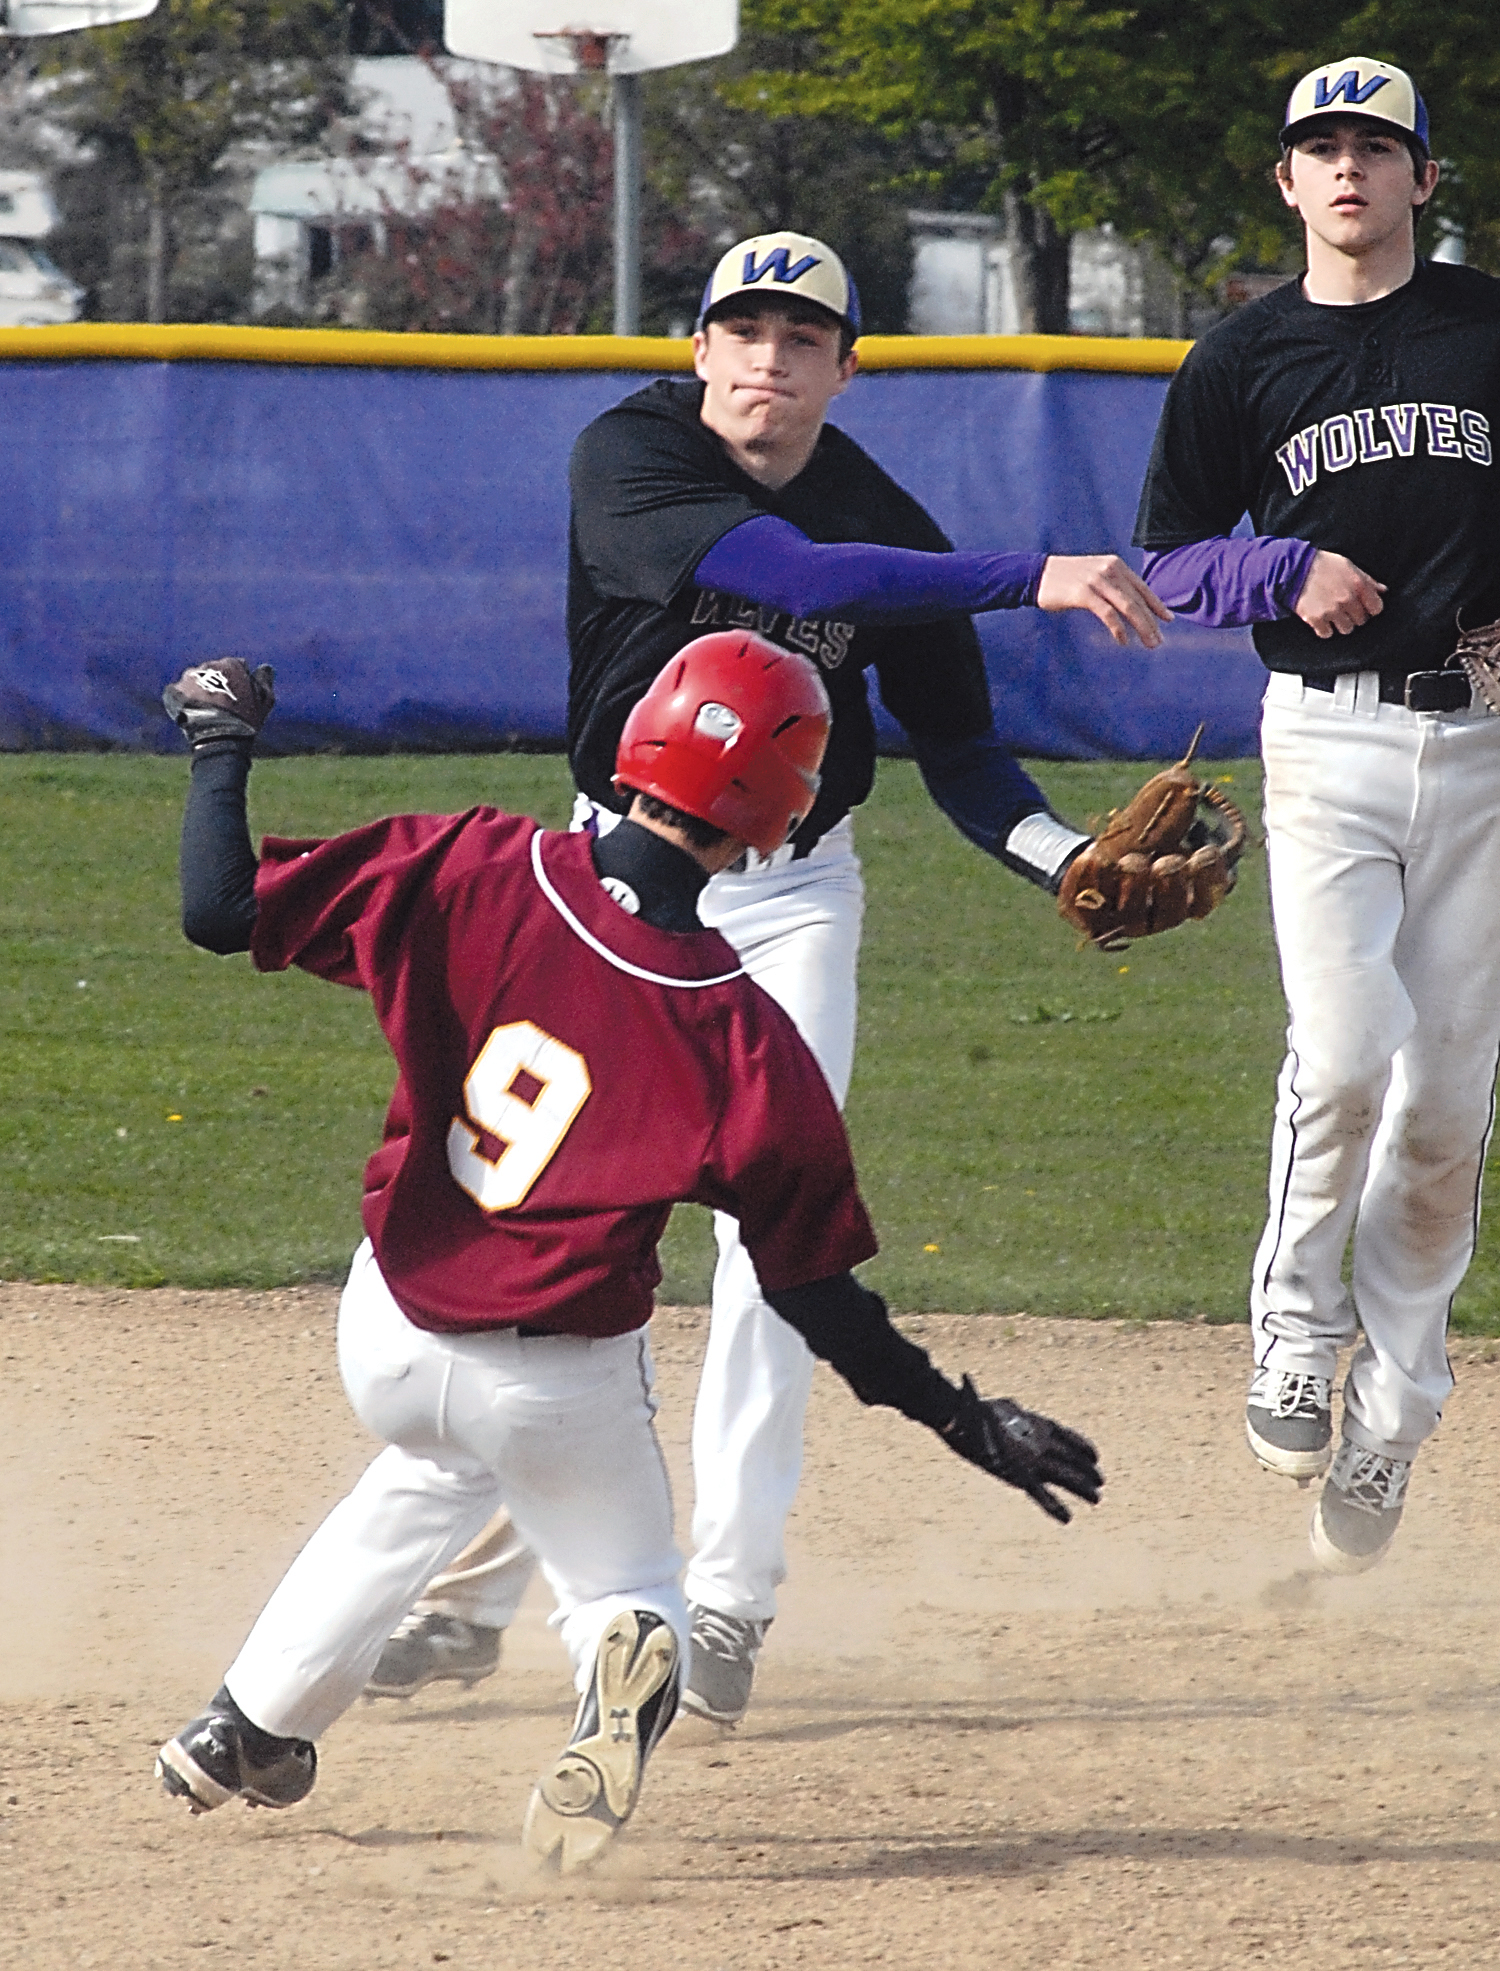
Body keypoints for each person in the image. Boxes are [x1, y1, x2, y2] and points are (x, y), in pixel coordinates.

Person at [370, 228, 1167, 1723]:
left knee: (770, 1245)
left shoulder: (888, 514)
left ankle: (727, 1594)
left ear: (847, 369)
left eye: (804, 337)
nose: (767, 359)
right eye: (742, 328)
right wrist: (1026, 573)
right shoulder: (635, 456)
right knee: (545, 1237)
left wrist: (1059, 853)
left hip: (795, 899)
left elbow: (968, 758)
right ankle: (478, 1586)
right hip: (613, 889)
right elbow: (788, 571)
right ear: (698, 349)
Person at [152, 639, 1104, 1874]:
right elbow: (815, 1293)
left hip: (389, 1326)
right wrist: (964, 1417)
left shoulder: (475, 861)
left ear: (634, 745)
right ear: (777, 824)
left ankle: (246, 1724)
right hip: (557, 1380)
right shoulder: (744, 1030)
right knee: (631, 1584)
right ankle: (618, 1642)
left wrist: (222, 744)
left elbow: (217, 909)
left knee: (436, 1467)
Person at [1134, 56, 1500, 1573]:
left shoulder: (1489, 330)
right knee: (1346, 1053)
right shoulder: (1242, 358)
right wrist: (1277, 572)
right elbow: (1165, 560)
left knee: (1444, 1110)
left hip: (1486, 750)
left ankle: (1397, 1414)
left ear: (1425, 177)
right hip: (1329, 744)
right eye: (1319, 147)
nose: (1347, 169)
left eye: (1376, 146)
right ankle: (1293, 1321)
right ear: (1286, 183)